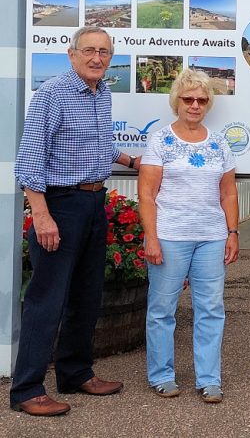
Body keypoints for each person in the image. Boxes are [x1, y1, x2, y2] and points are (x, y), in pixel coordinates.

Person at [11, 27, 140, 416]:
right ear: (71, 54)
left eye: (104, 51)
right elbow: (29, 161)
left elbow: (97, 146)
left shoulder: (103, 93)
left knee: (87, 294)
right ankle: (27, 390)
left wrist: (132, 161)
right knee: (46, 300)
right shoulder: (52, 94)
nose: (97, 58)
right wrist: (42, 214)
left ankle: (75, 372)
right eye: (89, 51)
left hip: (93, 201)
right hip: (60, 204)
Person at [138, 69, 239, 404]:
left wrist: (232, 232)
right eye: (188, 99)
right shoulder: (159, 140)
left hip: (211, 237)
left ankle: (209, 379)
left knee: (211, 308)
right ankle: (161, 375)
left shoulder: (219, 142)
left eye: (201, 99)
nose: (195, 105)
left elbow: (228, 194)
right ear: (176, 101)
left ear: (208, 104)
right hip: (169, 237)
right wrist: (150, 237)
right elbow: (147, 195)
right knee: (162, 309)